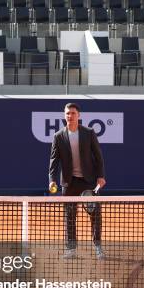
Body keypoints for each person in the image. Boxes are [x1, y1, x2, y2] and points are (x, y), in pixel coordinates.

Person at [48, 103, 106, 260]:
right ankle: (71, 248)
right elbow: (54, 161)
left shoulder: (89, 133)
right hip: (69, 182)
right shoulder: (58, 136)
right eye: (67, 113)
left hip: (88, 181)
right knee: (69, 216)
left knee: (95, 214)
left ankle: (97, 246)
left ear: (78, 115)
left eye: (73, 113)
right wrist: (52, 180)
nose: (70, 116)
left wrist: (101, 176)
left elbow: (98, 156)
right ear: (64, 115)